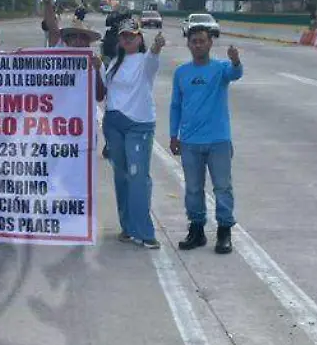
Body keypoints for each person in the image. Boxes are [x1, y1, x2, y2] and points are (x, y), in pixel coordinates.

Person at [170, 26, 243, 255]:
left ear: (210, 43)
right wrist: (174, 135)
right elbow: (175, 106)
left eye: (202, 41)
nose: (198, 45)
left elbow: (236, 73)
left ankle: (224, 230)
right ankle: (197, 229)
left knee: (222, 187)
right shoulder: (181, 72)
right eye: (194, 41)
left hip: (218, 140)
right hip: (190, 141)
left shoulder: (221, 69)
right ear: (188, 44)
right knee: (193, 188)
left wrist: (235, 60)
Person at [103, 19, 166, 249]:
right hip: (113, 123)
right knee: (121, 177)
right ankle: (127, 227)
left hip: (138, 125)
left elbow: (153, 57)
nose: (127, 38)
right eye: (123, 36)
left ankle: (145, 231)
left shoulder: (145, 61)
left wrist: (157, 46)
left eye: (132, 35)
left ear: (140, 38)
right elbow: (103, 91)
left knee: (137, 176)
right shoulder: (114, 64)